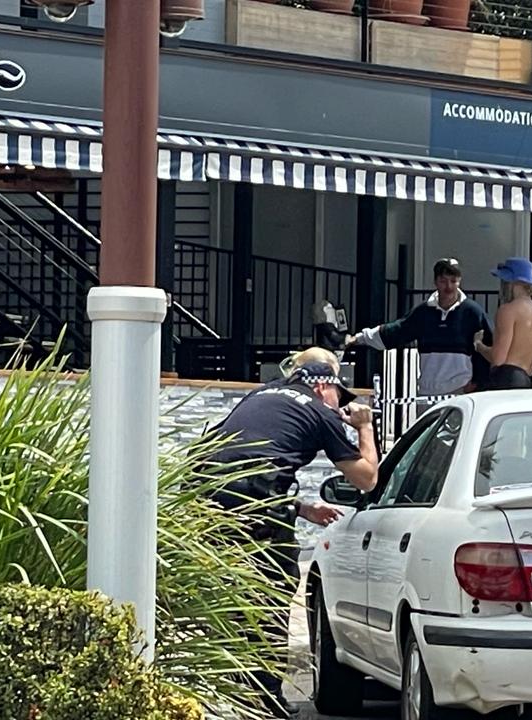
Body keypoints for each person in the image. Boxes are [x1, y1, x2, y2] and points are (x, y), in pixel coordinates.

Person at [203, 362, 378, 718]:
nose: (338, 405)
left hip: (205, 497)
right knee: (272, 594)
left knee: (230, 600)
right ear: (321, 387)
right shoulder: (318, 410)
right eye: (337, 396)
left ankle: (231, 694)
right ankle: (266, 703)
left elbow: (244, 465)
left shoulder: (260, 395)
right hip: (252, 505)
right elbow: (367, 478)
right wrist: (365, 426)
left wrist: (298, 507)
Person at [347, 258, 492, 396]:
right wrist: (359, 338)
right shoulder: (423, 312)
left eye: (453, 281)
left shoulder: (473, 312)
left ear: (459, 282)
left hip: (461, 389)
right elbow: (396, 331)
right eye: (443, 281)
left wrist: (477, 383)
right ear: (435, 282)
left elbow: (489, 348)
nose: (448, 287)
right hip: (427, 390)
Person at [473, 257, 532, 389]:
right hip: (525, 380)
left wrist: (479, 345)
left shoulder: (508, 310)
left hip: (504, 379)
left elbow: (498, 358)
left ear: (512, 283)